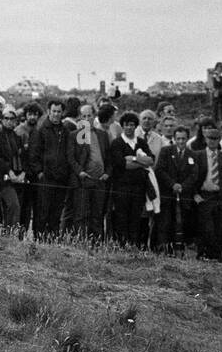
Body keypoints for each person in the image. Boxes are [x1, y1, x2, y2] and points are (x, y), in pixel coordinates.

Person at [28, 98, 75, 239]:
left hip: (60, 180)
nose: (56, 114)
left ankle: (53, 241)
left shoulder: (65, 131)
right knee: (42, 213)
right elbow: (33, 155)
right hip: (45, 180)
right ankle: (39, 242)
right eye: (53, 111)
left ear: (63, 113)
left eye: (59, 112)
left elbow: (68, 154)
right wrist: (40, 173)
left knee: (56, 214)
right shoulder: (41, 130)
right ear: (49, 111)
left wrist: (66, 173)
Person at [107, 111, 156, 248]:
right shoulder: (117, 143)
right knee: (122, 217)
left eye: (132, 125)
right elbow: (123, 164)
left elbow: (151, 160)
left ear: (136, 126)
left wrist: (133, 158)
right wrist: (141, 161)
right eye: (126, 125)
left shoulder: (141, 142)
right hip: (122, 187)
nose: (129, 127)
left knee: (136, 218)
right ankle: (122, 246)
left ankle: (133, 246)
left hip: (139, 188)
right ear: (122, 126)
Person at [69, 103, 112, 241]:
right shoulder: (76, 135)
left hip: (100, 180)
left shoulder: (102, 135)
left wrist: (107, 173)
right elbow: (70, 157)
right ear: (79, 118)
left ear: (94, 116)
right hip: (83, 180)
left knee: (98, 215)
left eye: (89, 115)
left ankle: (98, 244)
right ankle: (81, 244)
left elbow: (109, 157)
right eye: (84, 116)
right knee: (81, 215)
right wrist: (80, 172)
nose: (87, 118)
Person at [192, 118, 222, 260]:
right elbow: (192, 177)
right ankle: (204, 255)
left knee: (218, 228)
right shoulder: (198, 155)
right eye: (210, 138)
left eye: (216, 139)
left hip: (219, 196)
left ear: (219, 139)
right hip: (204, 195)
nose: (213, 141)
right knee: (206, 228)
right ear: (205, 138)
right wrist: (195, 194)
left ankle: (215, 256)